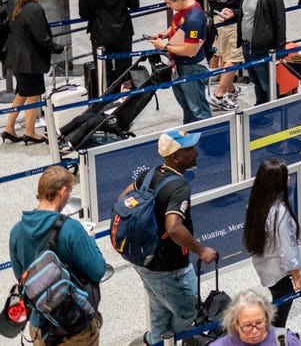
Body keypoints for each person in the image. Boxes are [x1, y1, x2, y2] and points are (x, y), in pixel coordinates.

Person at [124, 130, 218, 343]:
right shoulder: (179, 187)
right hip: (169, 267)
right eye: (189, 150)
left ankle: (156, 341)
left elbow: (123, 200)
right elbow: (174, 227)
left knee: (159, 312)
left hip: (144, 259)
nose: (196, 152)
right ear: (175, 157)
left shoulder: (148, 174)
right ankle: (166, 339)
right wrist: (201, 251)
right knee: (189, 313)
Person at [8, 166, 106, 346]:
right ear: (63, 191)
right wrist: (90, 240)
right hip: (74, 326)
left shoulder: (16, 231)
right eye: (70, 191)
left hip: (40, 325)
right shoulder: (72, 229)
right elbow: (98, 270)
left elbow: (21, 276)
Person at [243, 159, 301, 327]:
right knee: (281, 312)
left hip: (265, 267)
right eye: (286, 176)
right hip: (279, 271)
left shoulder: (256, 203)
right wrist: (297, 275)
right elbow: (287, 249)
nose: (289, 178)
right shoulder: (280, 213)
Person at [148, 0, 212, 124]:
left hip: (191, 68)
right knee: (186, 106)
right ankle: (190, 135)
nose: (167, 6)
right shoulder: (184, 8)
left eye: (169, 3)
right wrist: (164, 34)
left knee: (198, 109)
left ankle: (209, 138)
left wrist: (164, 46)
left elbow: (190, 50)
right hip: (179, 65)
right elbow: (177, 25)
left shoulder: (194, 19)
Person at [76, 0, 138, 84]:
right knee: (125, 68)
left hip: (100, 33)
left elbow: (83, 13)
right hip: (123, 31)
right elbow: (135, 5)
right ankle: (125, 99)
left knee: (103, 71)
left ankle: (105, 99)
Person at [234, 0, 285, 105]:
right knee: (256, 81)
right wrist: (233, 12)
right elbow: (248, 13)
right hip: (247, 45)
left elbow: (280, 24)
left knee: (267, 83)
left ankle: (274, 110)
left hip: (262, 48)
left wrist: (280, 51)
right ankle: (260, 107)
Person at [207, 0, 246, 111]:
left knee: (224, 54)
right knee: (234, 58)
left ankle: (230, 87)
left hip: (217, 14)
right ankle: (219, 95)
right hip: (230, 17)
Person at [211, 288, 301, 346]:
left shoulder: (287, 340)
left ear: (266, 318)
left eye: (259, 323)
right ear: (235, 323)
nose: (255, 331)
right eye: (247, 325)